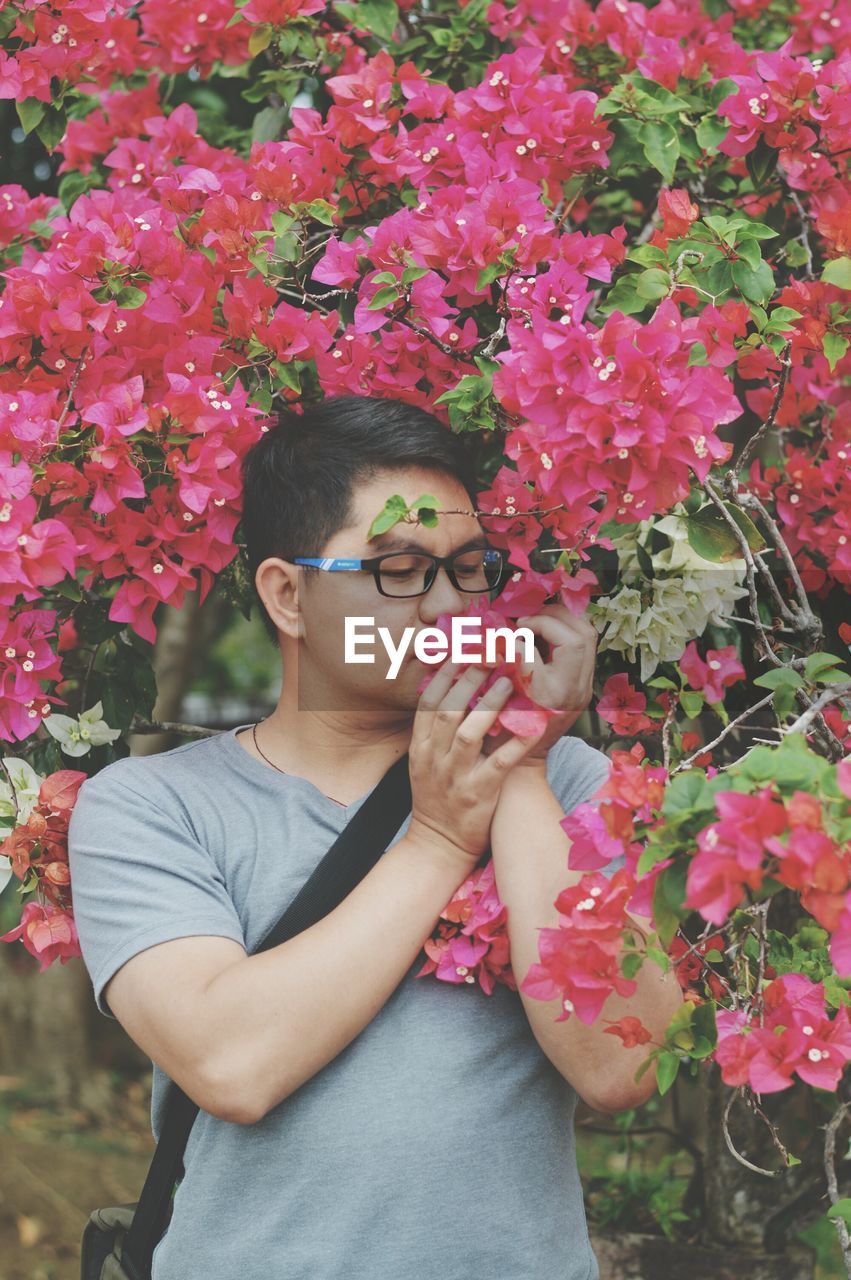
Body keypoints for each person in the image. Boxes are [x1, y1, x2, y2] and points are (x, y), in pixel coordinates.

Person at [68, 394, 681, 1280]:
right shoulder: (150, 808)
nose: (447, 608)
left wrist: (519, 758)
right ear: (287, 594)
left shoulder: (564, 778)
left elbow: (623, 1062)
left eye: (468, 569)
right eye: (398, 569)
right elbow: (232, 1066)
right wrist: (436, 841)